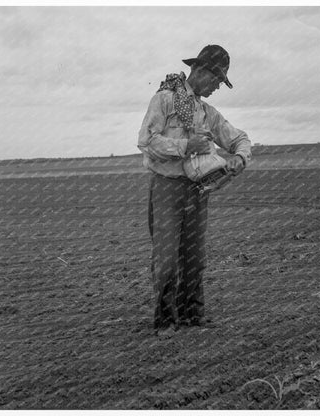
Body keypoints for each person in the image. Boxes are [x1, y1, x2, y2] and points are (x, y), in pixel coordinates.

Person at [138, 45, 252, 337]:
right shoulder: (163, 100)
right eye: (216, 81)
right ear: (201, 71)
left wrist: (240, 156)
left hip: (198, 190)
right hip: (166, 188)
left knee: (195, 256)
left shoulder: (207, 113)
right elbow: (147, 141)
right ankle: (165, 320)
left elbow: (239, 138)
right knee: (166, 258)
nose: (216, 87)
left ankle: (192, 315)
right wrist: (187, 146)